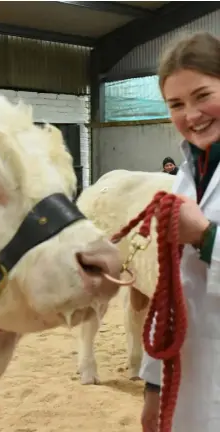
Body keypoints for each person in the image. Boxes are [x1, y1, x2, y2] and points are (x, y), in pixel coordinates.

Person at [139, 31, 220, 432]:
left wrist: (206, 237)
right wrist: (153, 387)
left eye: (203, 95)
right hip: (189, 381)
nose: (191, 115)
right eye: (176, 104)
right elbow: (172, 291)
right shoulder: (187, 175)